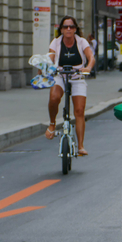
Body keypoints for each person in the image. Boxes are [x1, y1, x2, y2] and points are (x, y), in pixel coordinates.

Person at [45, 15, 95, 156]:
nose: (68, 29)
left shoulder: (81, 41)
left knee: (79, 110)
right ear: (61, 29)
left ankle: (80, 146)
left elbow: (91, 57)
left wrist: (88, 68)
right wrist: (47, 67)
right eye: (65, 27)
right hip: (60, 75)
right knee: (54, 97)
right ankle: (52, 123)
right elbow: (50, 58)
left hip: (78, 76)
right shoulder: (55, 42)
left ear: (75, 29)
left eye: (71, 27)